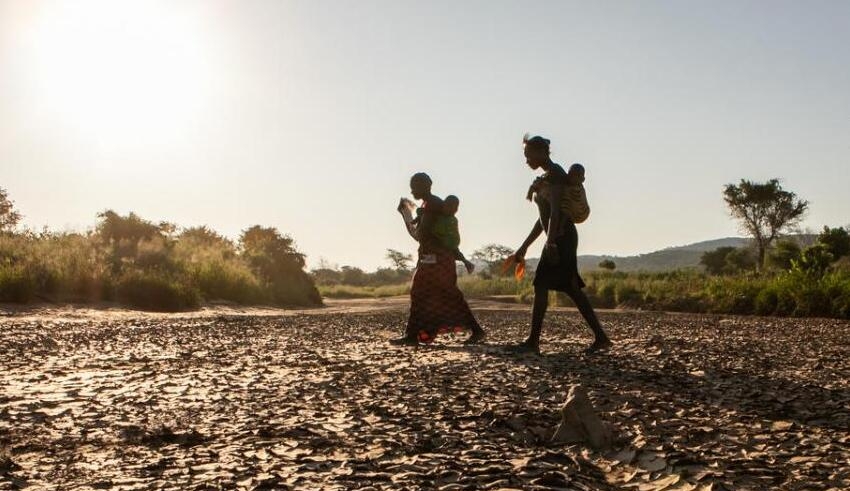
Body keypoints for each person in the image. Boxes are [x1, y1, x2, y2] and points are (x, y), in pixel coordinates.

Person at [511, 135, 612, 355]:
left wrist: (551, 242)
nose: (526, 160)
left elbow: (556, 211)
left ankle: (532, 342)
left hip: (561, 237)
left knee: (542, 285)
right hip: (557, 237)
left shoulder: (555, 175)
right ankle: (601, 337)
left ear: (541, 152)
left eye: (528, 155)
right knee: (571, 288)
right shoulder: (547, 176)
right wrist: (524, 246)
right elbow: (543, 217)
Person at [391, 173, 486, 346]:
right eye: (412, 186)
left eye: (415, 186)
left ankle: (413, 335)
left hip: (436, 261)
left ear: (427, 186)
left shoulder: (432, 205)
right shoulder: (430, 204)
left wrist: (406, 215)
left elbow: (420, 235)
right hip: (435, 260)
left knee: (433, 293)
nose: (412, 190)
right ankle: (413, 334)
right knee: (434, 294)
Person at [412, 194, 475, 274]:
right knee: (424, 261)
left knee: (453, 251)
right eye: (449, 206)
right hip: (439, 245)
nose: (452, 210)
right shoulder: (437, 215)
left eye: (455, 208)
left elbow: (447, 234)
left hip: (444, 244)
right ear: (444, 206)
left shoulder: (451, 220)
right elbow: (419, 211)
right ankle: (466, 262)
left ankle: (466, 262)